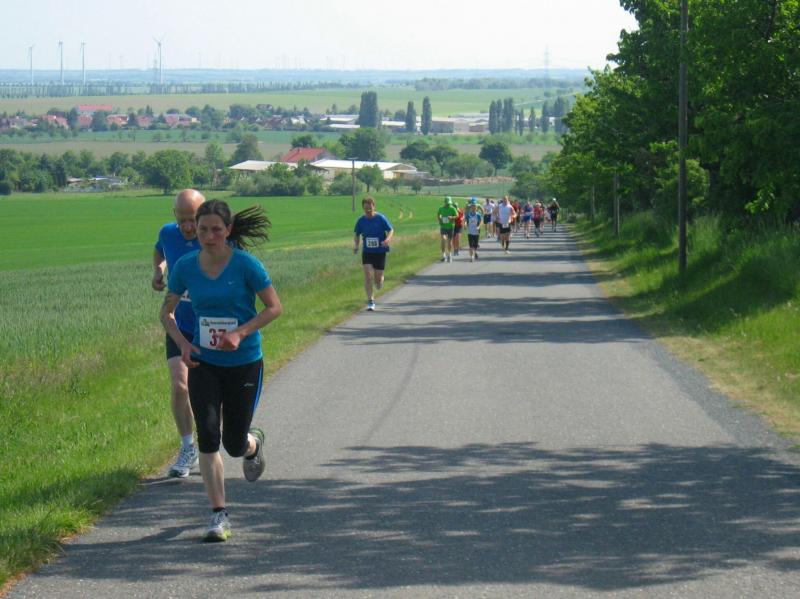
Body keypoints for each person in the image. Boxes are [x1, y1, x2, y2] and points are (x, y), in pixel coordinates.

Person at [160, 199, 283, 543]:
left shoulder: (246, 265)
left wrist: (240, 332)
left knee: (233, 443)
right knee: (209, 435)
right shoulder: (185, 267)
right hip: (204, 363)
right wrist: (183, 344)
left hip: (244, 362)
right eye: (202, 230)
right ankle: (218, 515)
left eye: (216, 229)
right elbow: (166, 314)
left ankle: (253, 444)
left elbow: (274, 307)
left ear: (228, 230)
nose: (209, 236)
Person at [152, 188, 205, 478]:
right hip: (178, 323)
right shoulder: (168, 233)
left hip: (211, 326)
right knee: (179, 385)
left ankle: (239, 437)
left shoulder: (215, 235)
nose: (186, 227)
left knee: (213, 393)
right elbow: (160, 249)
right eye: (181, 219)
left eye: (192, 220)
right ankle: (187, 447)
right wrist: (158, 270)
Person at [353, 196, 394, 311]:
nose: (368, 210)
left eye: (370, 208)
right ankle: (371, 301)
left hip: (380, 252)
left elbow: (391, 230)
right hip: (367, 252)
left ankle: (380, 281)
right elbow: (356, 234)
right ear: (363, 208)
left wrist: (387, 240)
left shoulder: (381, 218)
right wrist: (356, 245)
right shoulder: (361, 221)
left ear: (374, 207)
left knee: (378, 280)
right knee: (367, 275)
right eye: (366, 208)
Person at [437, 196, 459, 262]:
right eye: (447, 203)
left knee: (449, 242)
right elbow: (438, 214)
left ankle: (449, 255)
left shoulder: (452, 208)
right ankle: (443, 255)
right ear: (445, 202)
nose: (448, 204)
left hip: (450, 227)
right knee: (443, 239)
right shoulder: (441, 208)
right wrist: (440, 219)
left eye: (449, 203)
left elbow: (457, 216)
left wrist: (452, 217)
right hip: (443, 226)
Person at [465, 198, 483, 262]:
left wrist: (478, 227)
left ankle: (474, 253)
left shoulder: (478, 215)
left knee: (475, 246)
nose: (473, 207)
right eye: (472, 206)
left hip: (476, 232)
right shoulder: (468, 214)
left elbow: (481, 222)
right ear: (471, 207)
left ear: (476, 207)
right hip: (470, 232)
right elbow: (465, 221)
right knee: (471, 246)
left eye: (474, 206)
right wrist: (465, 225)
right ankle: (472, 257)